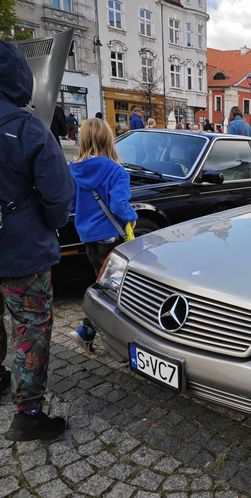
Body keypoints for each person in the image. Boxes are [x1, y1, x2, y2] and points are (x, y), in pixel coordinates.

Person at [0, 40, 74, 441]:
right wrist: (48, 224)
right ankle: (27, 414)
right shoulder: (26, 128)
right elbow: (58, 195)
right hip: (21, 251)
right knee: (29, 326)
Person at [68, 118, 138, 352]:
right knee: (114, 288)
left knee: (103, 283)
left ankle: (89, 330)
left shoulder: (74, 169)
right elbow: (119, 206)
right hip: (110, 237)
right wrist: (132, 215)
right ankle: (93, 331)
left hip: (88, 236)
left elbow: (70, 202)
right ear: (108, 139)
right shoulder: (116, 171)